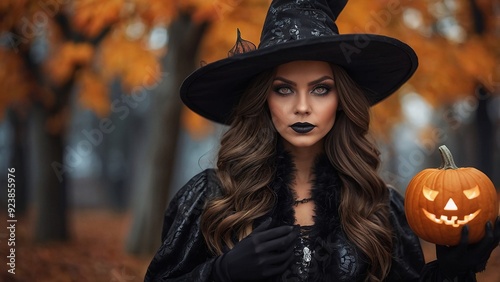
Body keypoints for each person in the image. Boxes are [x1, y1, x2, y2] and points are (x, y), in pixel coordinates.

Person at [145, 0, 500, 281]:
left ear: (340, 101)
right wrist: (220, 274)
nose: (302, 107)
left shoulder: (377, 206)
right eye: (283, 90)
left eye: (320, 89)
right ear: (263, 101)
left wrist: (453, 272)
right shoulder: (211, 199)